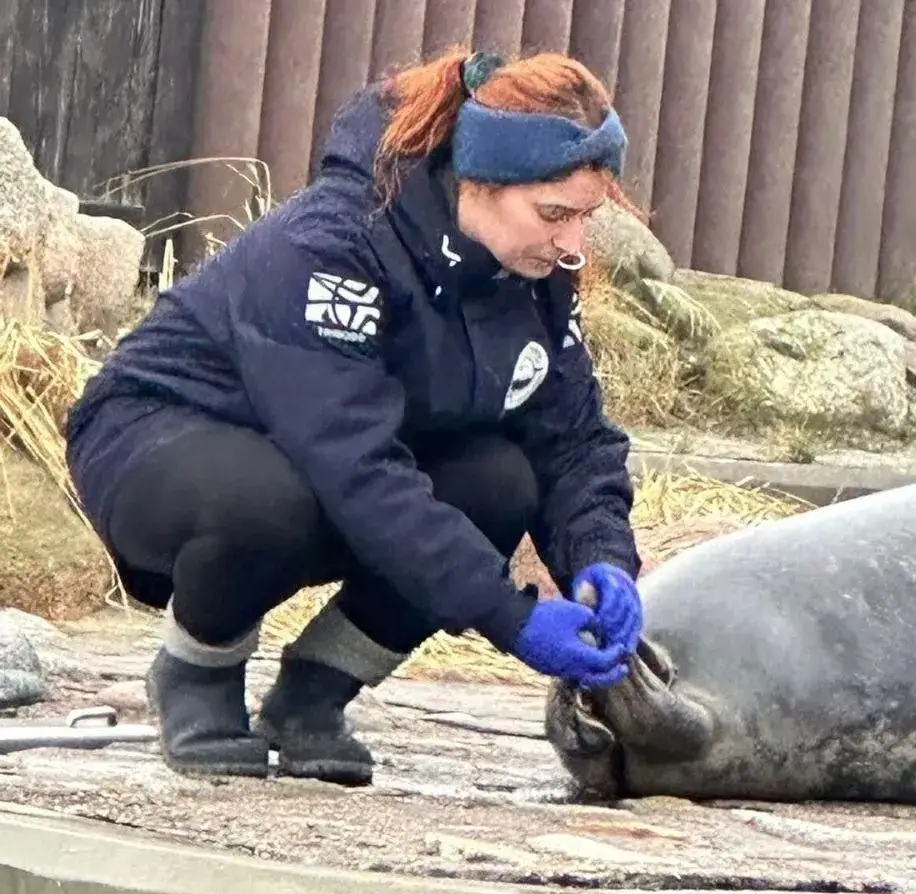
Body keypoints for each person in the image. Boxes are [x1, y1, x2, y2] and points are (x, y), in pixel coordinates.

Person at [62, 47, 647, 788]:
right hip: (160, 441)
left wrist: (603, 561)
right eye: (554, 214)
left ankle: (315, 693)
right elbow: (355, 465)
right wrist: (509, 616)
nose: (573, 243)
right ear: (478, 182)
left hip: (323, 464)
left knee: (499, 482)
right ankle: (199, 670)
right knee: (265, 500)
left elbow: (573, 441)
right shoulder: (334, 244)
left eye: (585, 217)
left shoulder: (532, 275)